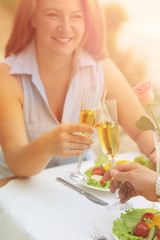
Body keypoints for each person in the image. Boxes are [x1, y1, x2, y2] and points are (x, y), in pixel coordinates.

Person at [0, 0, 156, 178]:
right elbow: (17, 164)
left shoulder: (100, 67)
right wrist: (47, 144)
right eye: (53, 15)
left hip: (79, 182)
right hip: (16, 186)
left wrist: (154, 150)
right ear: (33, 19)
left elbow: (140, 129)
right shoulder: (8, 76)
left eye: (76, 17)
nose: (66, 28)